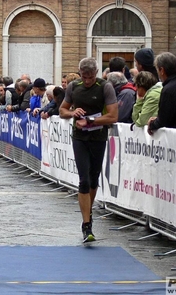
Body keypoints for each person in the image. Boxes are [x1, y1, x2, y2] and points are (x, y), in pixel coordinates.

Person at [59, 57, 118, 243]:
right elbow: (62, 111)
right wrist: (72, 113)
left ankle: (88, 212)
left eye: (90, 77)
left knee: (94, 178)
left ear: (97, 72)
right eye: (84, 77)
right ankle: (86, 224)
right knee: (83, 180)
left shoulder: (105, 86)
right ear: (79, 73)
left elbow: (113, 116)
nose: (87, 80)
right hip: (79, 137)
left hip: (98, 137)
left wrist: (92, 121)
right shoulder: (73, 86)